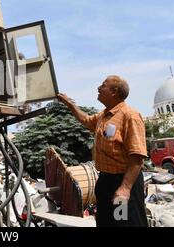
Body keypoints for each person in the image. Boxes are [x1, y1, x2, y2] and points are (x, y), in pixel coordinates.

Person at [57, 75, 148, 227]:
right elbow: (86, 120)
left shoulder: (130, 116)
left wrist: (125, 188)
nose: (98, 88)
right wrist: (68, 103)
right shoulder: (104, 115)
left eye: (103, 85)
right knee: (106, 223)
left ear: (114, 91)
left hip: (123, 182)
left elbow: (137, 156)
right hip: (105, 182)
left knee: (122, 222)